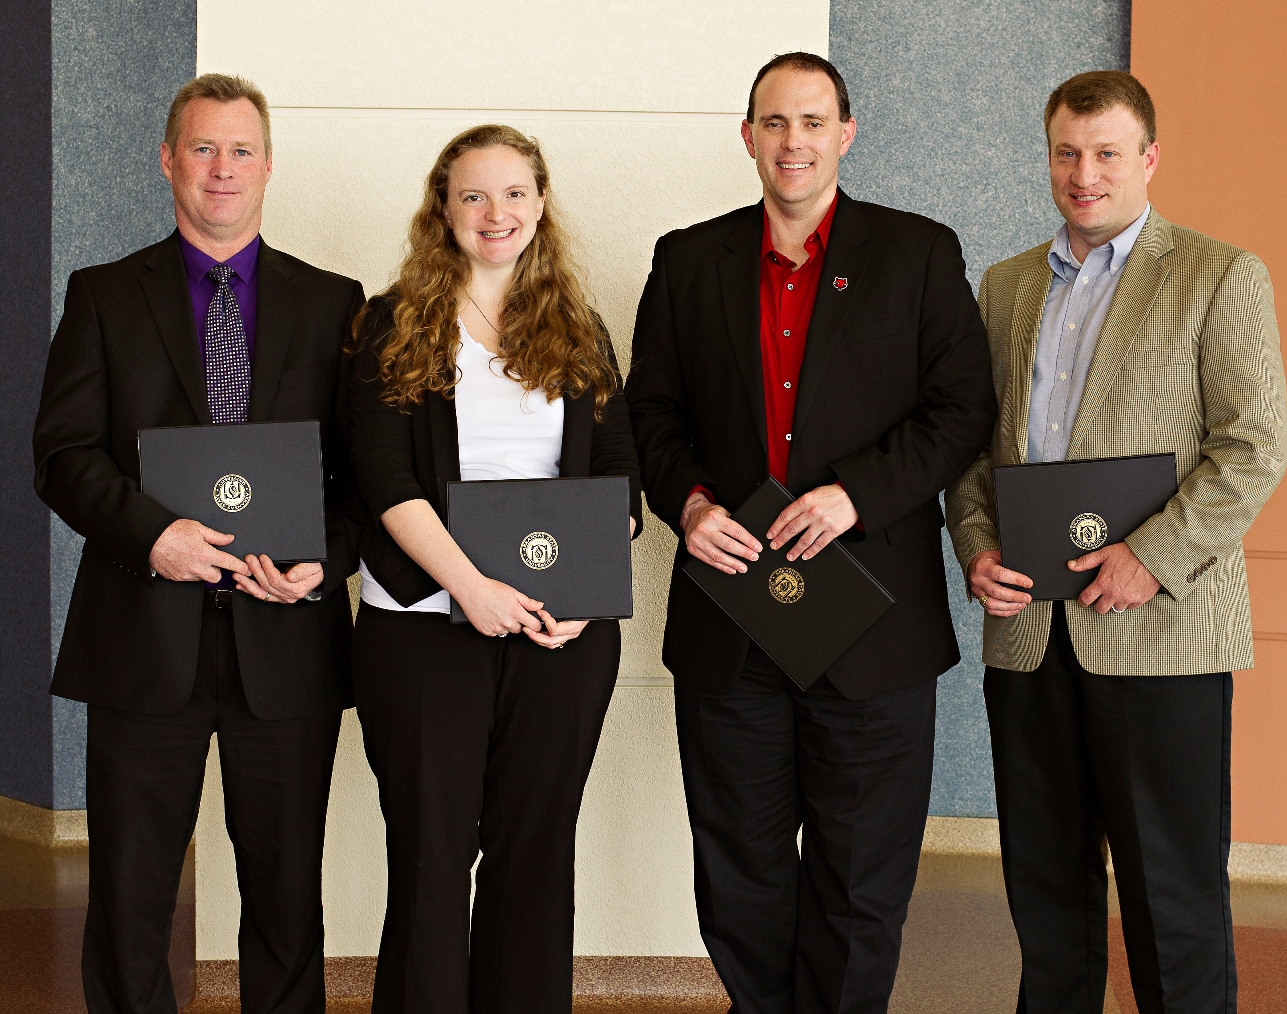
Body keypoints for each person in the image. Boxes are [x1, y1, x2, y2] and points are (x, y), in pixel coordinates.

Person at [625, 53, 996, 1012]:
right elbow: (649, 417)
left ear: (846, 133)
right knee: (739, 872)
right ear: (748, 136)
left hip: (873, 623)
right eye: (775, 122)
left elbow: (963, 410)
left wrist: (854, 497)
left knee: (861, 880)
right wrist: (690, 506)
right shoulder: (687, 259)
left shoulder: (918, 253)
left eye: (813, 121)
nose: (794, 141)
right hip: (732, 619)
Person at [945, 70, 1287, 1012]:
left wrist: (1154, 557)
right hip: (1030, 636)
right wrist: (976, 546)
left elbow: (1255, 447)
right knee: (1046, 896)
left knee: (1172, 902)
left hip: (1161, 637)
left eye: (1105, 153)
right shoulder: (1007, 286)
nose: (1084, 173)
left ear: (1149, 158)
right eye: (1066, 152)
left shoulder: (1219, 273)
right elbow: (974, 449)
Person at [32, 74, 365, 1013]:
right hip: (142, 636)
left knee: (286, 896)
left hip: (286, 638)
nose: (224, 168)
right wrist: (155, 536)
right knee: (130, 896)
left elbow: (364, 474)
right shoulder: (103, 295)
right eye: (204, 148)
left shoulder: (334, 303)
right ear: (169, 160)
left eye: (241, 149)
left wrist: (323, 559)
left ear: (269, 165)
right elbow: (62, 455)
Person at [347, 123, 642, 1014]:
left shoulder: (578, 328)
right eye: (473, 195)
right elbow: (383, 478)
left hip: (561, 635)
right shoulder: (393, 322)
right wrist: (469, 589)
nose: (495, 212)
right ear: (443, 209)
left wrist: (587, 586)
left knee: (535, 854)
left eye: (514, 193)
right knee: (431, 858)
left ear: (541, 204)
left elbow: (619, 476)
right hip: (423, 626)